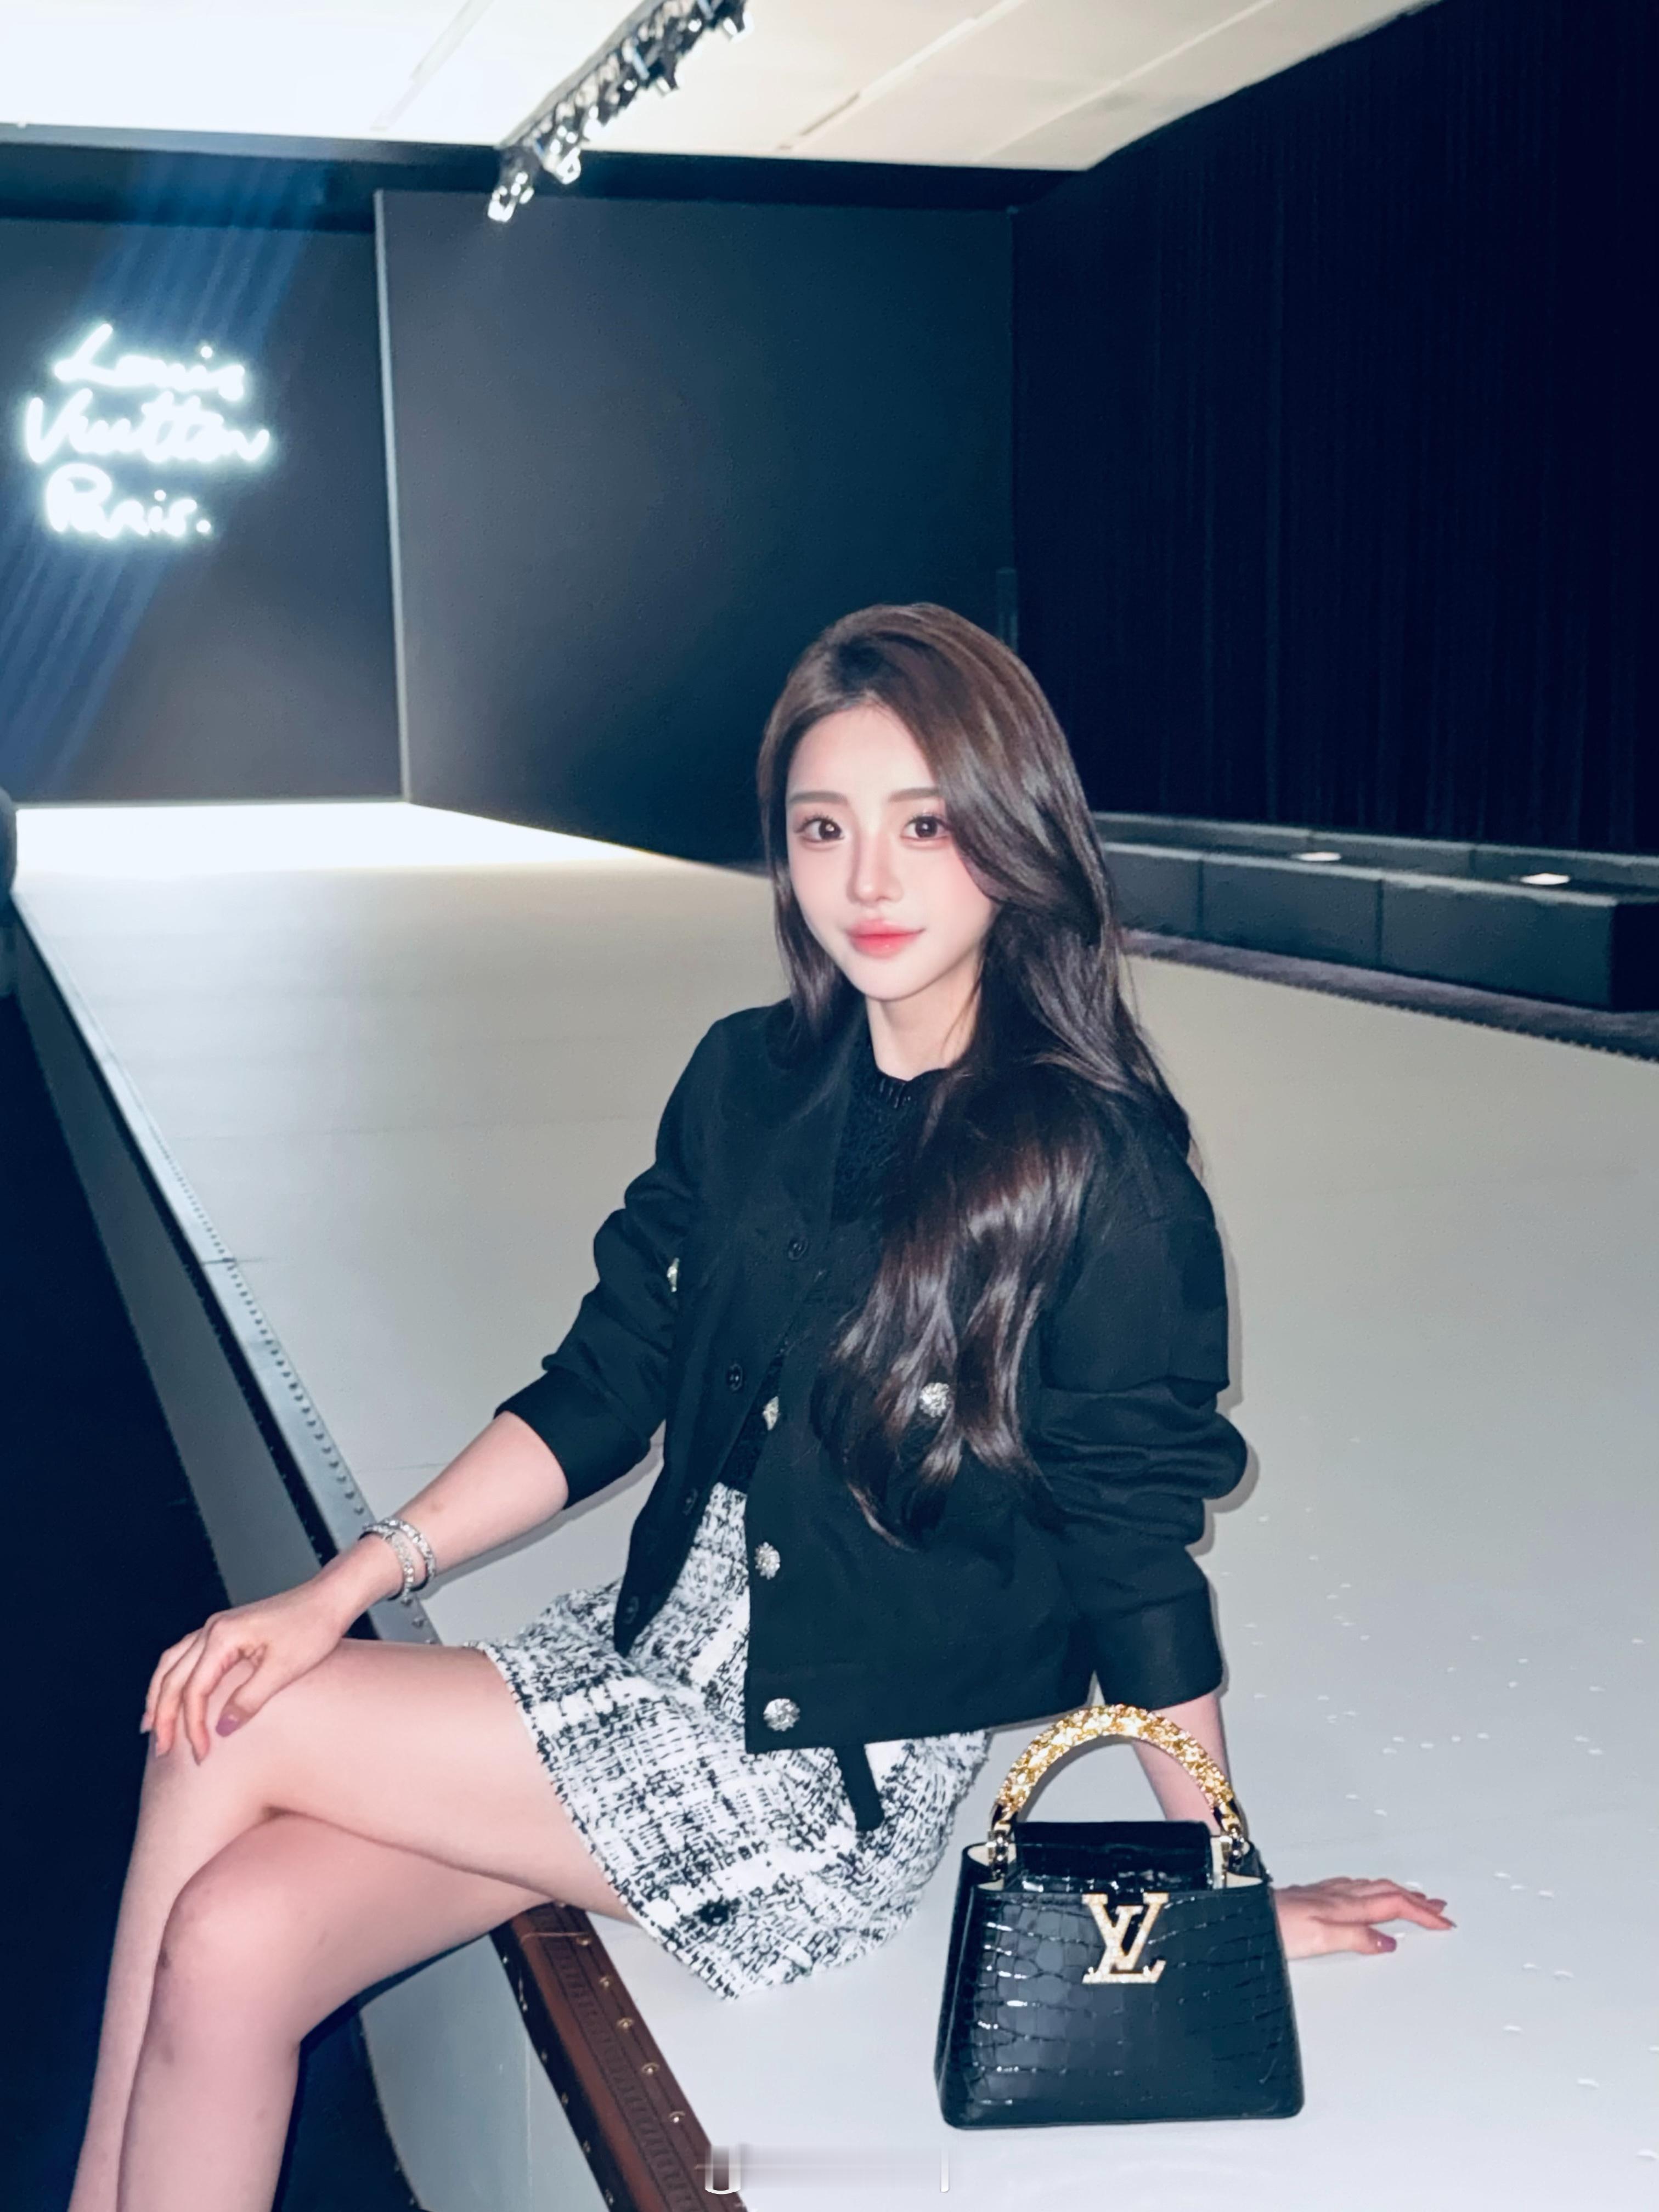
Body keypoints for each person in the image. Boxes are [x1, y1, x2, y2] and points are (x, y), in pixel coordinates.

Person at [71, 605, 1452, 2211]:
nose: (868, 881)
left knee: (230, 1713)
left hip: (815, 1776)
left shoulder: (1100, 1171)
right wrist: (346, 1585)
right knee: (234, 1943)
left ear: (1012, 834)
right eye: (822, 828)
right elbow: (606, 1384)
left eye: (923, 826)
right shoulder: (747, 1080)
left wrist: (1221, 1885)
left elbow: (1134, 1556)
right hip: (640, 1666)